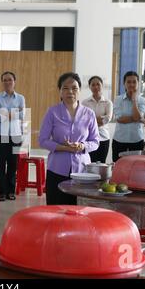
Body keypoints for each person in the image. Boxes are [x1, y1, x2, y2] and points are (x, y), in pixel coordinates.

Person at [39, 72, 99, 206]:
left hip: (82, 171)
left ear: (80, 91)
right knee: (57, 210)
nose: (70, 91)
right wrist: (62, 147)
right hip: (57, 170)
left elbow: (95, 142)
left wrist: (82, 146)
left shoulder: (89, 114)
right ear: (60, 91)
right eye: (65, 88)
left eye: (74, 88)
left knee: (79, 211)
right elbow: (42, 140)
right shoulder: (52, 112)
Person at [0, 71, 25, 202]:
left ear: (14, 81)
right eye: (4, 80)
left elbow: (23, 115)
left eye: (9, 80)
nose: (7, 82)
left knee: (13, 164)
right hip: (0, 135)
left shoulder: (20, 98)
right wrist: (14, 113)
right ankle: (1, 192)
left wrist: (7, 114)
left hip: (15, 136)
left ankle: (11, 190)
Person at [112, 71, 145, 162]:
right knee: (118, 166)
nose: (131, 84)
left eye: (134, 82)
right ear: (124, 84)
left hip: (137, 139)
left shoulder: (142, 100)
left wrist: (134, 100)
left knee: (136, 167)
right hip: (119, 139)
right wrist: (141, 119)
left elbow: (137, 117)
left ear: (138, 83)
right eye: (128, 82)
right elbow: (120, 119)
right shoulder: (118, 99)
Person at [81, 76, 113, 163]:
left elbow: (107, 119)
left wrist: (92, 119)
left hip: (104, 137)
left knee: (101, 163)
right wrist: (99, 119)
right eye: (93, 85)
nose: (96, 87)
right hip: (89, 138)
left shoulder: (108, 102)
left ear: (102, 86)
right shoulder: (85, 103)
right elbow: (84, 120)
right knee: (89, 162)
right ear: (90, 87)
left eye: (98, 84)